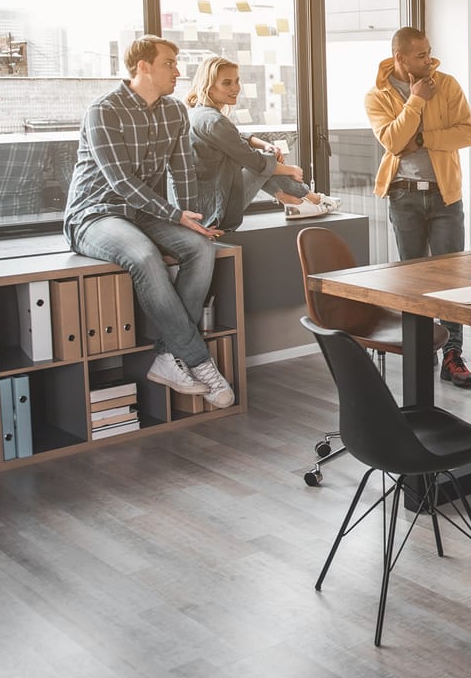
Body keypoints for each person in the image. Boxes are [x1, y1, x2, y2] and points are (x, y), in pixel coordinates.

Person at [63, 35, 234, 408]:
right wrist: (174, 214)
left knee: (201, 249)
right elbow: (120, 181)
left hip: (144, 212)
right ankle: (198, 360)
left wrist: (190, 219)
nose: (178, 71)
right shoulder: (103, 111)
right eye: (169, 63)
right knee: (143, 256)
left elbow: (182, 171)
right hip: (95, 213)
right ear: (143, 67)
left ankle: (167, 356)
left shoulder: (173, 111)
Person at [365, 26, 471, 388]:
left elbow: (468, 133)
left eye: (429, 53)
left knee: (451, 281)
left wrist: (425, 139)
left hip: (446, 196)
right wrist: (415, 100)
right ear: (400, 58)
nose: (429, 60)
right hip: (404, 196)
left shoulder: (447, 84)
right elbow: (395, 144)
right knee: (414, 282)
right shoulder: (377, 96)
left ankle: (452, 354)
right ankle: (421, 348)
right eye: (421, 55)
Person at [185, 55, 340, 231]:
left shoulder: (197, 114)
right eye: (227, 83)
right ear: (209, 87)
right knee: (262, 163)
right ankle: (307, 198)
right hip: (215, 213)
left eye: (237, 81)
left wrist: (264, 144)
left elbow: (236, 139)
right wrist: (292, 170)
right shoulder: (215, 122)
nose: (235, 88)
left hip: (202, 207)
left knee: (264, 158)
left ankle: (294, 200)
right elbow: (257, 164)